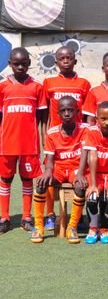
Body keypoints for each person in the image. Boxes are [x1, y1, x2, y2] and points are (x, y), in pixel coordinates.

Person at [42, 45, 91, 231]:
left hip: (77, 140)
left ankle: (78, 218)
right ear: (55, 62)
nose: (65, 61)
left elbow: (86, 114)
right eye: (61, 58)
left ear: (74, 60)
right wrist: (43, 137)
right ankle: (50, 215)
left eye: (69, 58)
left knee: (81, 177)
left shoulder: (84, 84)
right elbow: (46, 114)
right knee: (48, 178)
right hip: (55, 141)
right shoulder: (49, 82)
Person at [0, 47, 47, 234]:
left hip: (29, 144)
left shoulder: (37, 87)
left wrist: (43, 140)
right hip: (7, 144)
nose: (20, 67)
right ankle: (4, 217)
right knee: (5, 179)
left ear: (29, 63)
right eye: (16, 63)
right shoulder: (3, 87)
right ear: (10, 64)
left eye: (24, 63)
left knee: (28, 180)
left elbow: (42, 116)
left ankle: (27, 217)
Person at [31, 96, 88, 244]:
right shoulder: (52, 133)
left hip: (76, 168)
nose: (67, 113)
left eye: (70, 110)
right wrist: (48, 172)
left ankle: (72, 227)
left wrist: (81, 173)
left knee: (80, 187)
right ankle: (38, 227)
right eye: (63, 111)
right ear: (58, 114)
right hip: (59, 169)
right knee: (41, 183)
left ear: (77, 111)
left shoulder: (85, 130)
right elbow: (49, 160)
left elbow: (85, 155)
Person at [83, 101, 108, 244]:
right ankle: (93, 228)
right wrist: (93, 184)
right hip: (96, 174)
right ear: (96, 118)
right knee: (92, 196)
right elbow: (92, 156)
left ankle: (105, 228)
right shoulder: (91, 131)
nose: (107, 123)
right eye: (103, 119)